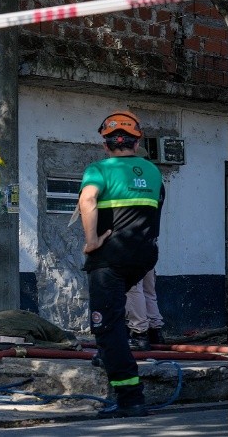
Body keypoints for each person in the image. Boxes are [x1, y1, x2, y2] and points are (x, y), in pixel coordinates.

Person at [78, 110, 164, 418]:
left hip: (109, 258)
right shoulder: (154, 173)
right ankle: (109, 355)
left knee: (107, 325)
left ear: (105, 144)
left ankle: (130, 397)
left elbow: (87, 200)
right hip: (142, 258)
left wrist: (91, 240)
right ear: (136, 144)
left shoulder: (98, 170)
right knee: (116, 312)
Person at [126, 268, 166, 350]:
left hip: (131, 257)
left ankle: (139, 334)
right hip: (148, 257)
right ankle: (155, 333)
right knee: (148, 291)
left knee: (133, 290)